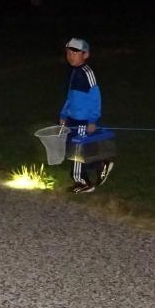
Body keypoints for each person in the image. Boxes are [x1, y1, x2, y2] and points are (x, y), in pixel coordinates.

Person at [58, 37, 113, 193]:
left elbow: (96, 97)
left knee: (76, 153)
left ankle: (83, 182)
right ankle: (101, 164)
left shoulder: (87, 73)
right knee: (78, 150)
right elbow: (71, 96)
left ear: (85, 55)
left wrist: (92, 120)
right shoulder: (75, 72)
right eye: (68, 52)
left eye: (75, 52)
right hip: (72, 118)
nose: (70, 56)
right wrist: (63, 114)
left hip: (82, 120)